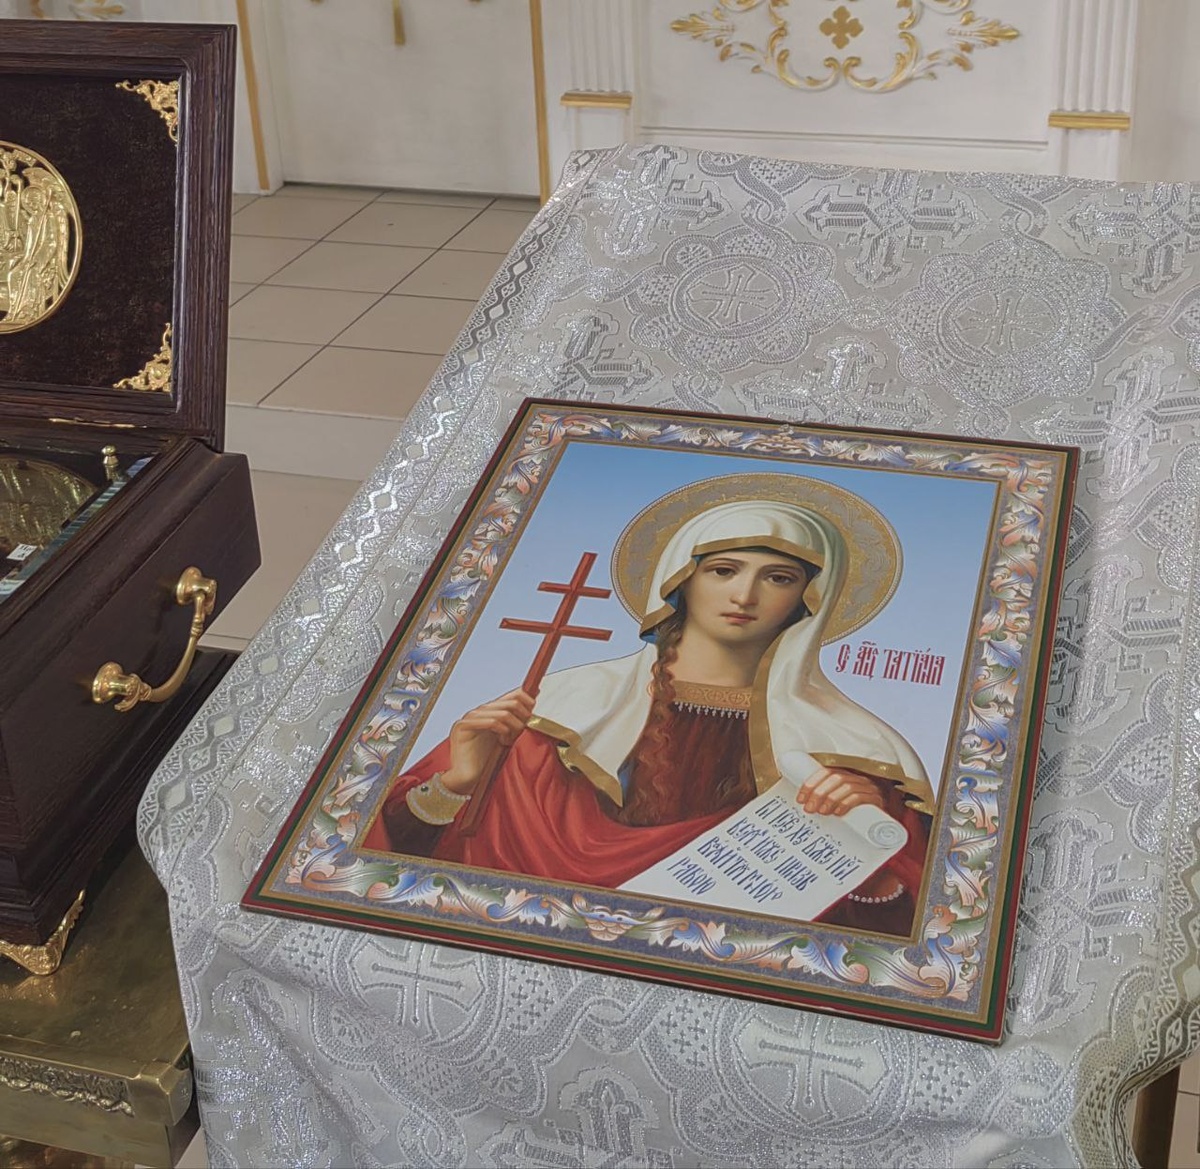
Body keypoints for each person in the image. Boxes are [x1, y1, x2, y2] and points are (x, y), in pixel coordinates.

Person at [361, 497, 934, 936]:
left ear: (810, 598)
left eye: (779, 578)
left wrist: (863, 845)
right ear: (681, 580)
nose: (745, 595)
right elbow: (381, 866)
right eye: (723, 570)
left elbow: (900, 937)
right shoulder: (565, 709)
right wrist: (459, 781)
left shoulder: (854, 750)